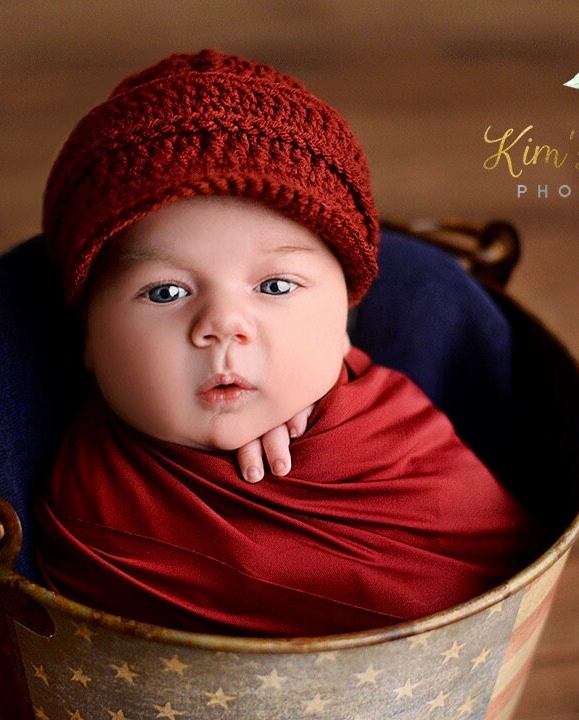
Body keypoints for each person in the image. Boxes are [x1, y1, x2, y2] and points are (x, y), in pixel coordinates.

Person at [35, 49, 534, 637]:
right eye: (165, 292)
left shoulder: (396, 444)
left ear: (345, 320)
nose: (223, 325)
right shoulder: (94, 502)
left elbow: (494, 567)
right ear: (89, 341)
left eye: (275, 286)